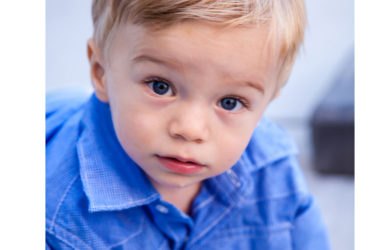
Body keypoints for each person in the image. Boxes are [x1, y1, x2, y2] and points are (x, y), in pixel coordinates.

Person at [46, 0, 331, 249]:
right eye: (160, 86)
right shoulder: (57, 216)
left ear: (265, 104)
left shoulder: (274, 168)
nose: (190, 129)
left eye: (230, 102)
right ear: (101, 73)